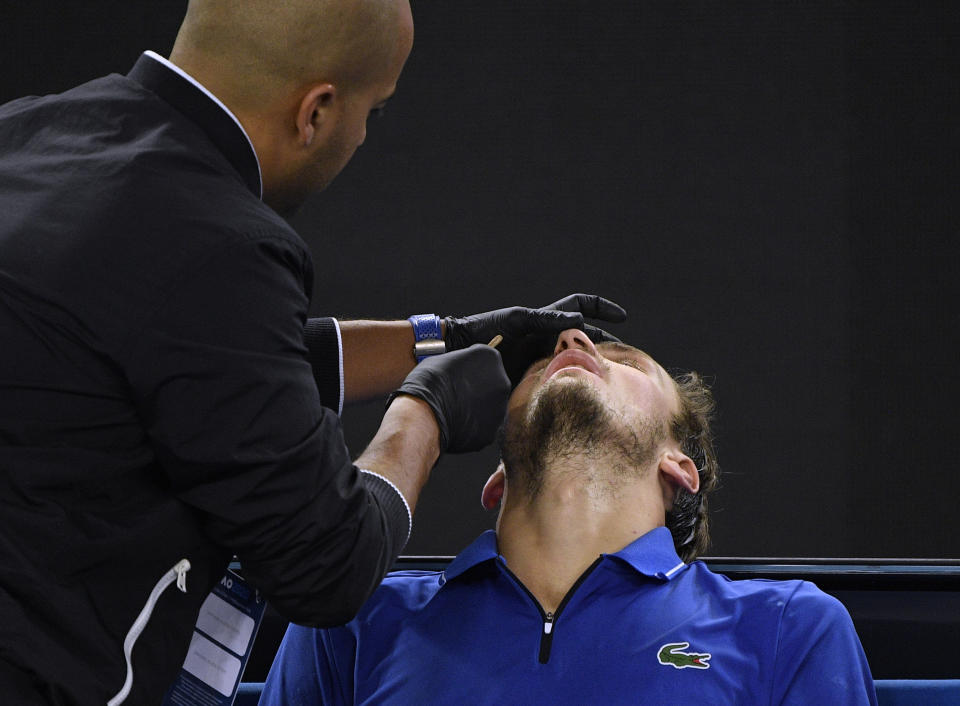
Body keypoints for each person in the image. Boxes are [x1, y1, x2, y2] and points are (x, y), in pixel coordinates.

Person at [0, 0, 627, 702]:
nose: (362, 135)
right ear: (317, 111)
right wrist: (425, 411)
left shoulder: (23, 133)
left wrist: (448, 337)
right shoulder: (219, 241)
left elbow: (192, 363)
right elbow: (329, 563)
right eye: (373, 112)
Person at [261, 328, 878, 705]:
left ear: (679, 467)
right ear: (496, 479)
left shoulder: (789, 630)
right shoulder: (356, 621)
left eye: (628, 363)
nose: (571, 343)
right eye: (539, 367)